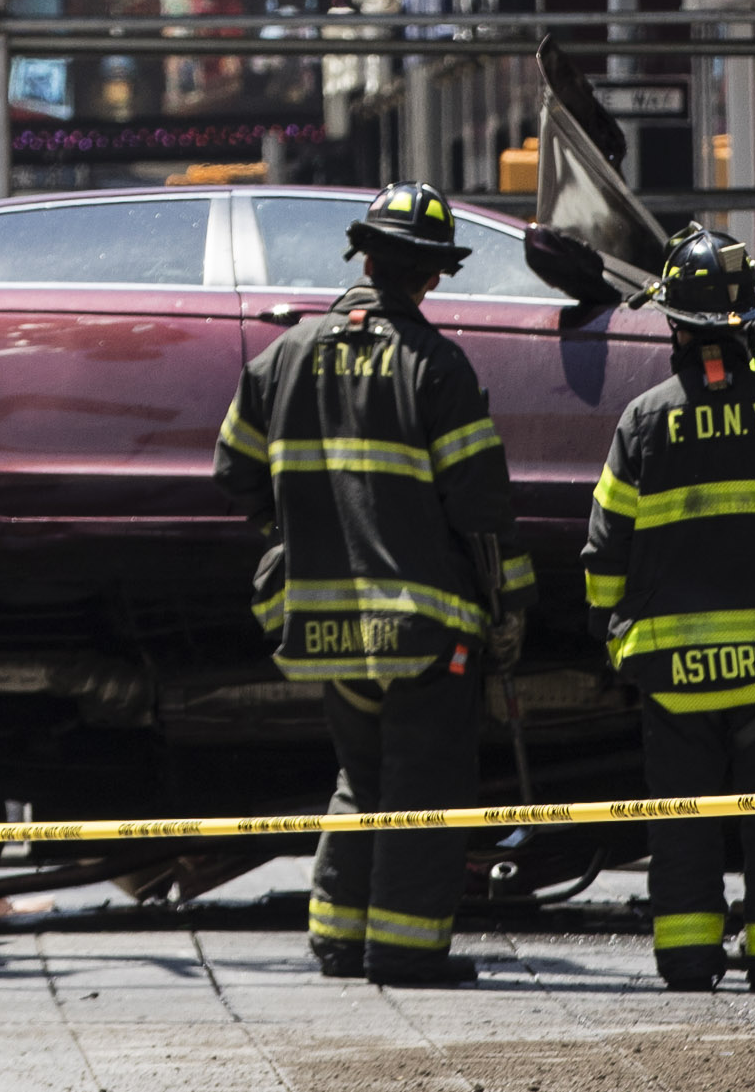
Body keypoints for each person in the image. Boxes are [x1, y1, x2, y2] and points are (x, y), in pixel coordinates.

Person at [212, 183, 525, 987]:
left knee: (362, 777)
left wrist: (293, 532)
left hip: (322, 626)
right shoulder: (438, 365)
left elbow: (232, 471)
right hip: (422, 628)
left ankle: (337, 940)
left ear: (366, 255)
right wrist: (509, 605)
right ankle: (407, 950)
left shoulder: (283, 354)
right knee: (424, 785)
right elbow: (481, 506)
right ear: (431, 275)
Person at [584, 224, 755, 994]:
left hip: (674, 675)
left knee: (683, 821)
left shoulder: (642, 420)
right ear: (748, 324)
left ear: (674, 324)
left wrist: (614, 639)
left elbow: (604, 554)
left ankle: (688, 956)